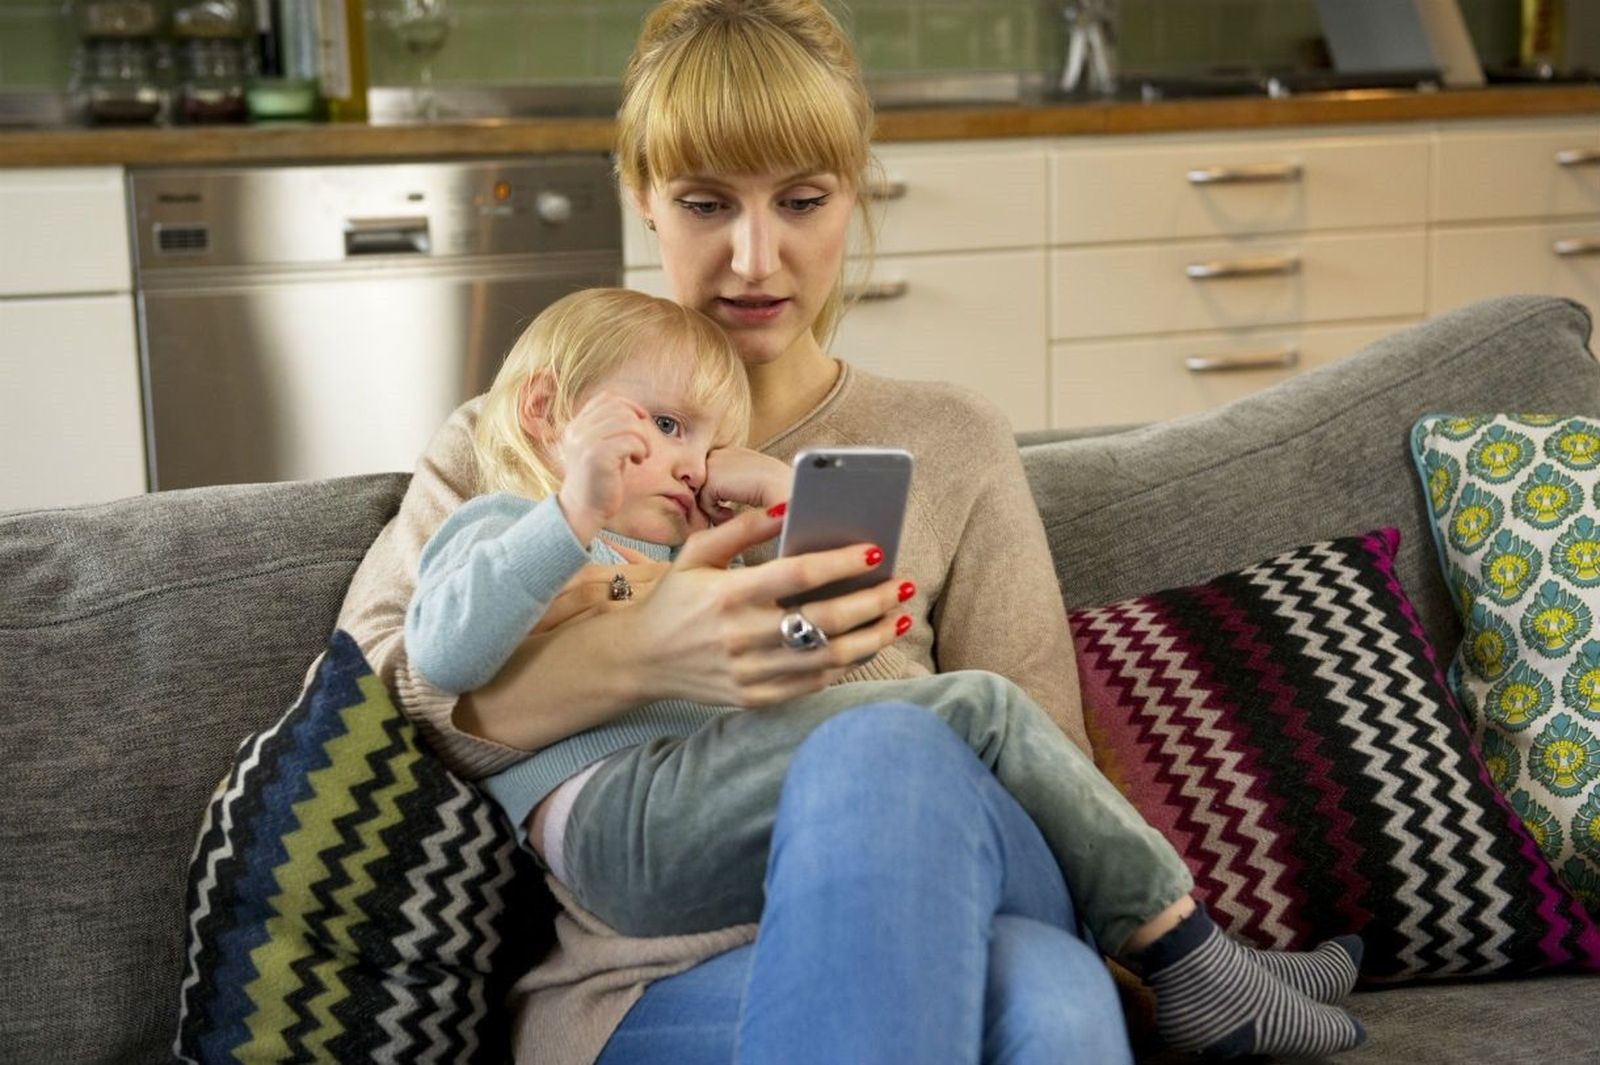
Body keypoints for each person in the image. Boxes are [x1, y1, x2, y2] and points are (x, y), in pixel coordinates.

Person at [336, 2, 1369, 1062]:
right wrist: (634, 644)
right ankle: (1209, 973)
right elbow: (378, 688)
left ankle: (1196, 968)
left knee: (918, 783)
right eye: (704, 203)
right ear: (641, 197)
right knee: (1039, 989)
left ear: (854, 191)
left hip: (961, 900)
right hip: (653, 979)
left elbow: (1039, 760)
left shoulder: (950, 441)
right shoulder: (531, 438)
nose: (754, 258)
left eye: (800, 200)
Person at [406, 285, 1370, 1061]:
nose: (690, 465)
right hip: (627, 831)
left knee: (1054, 994)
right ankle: (1192, 953)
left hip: (769, 850)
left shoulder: (698, 537)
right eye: (661, 424)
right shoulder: (503, 523)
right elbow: (438, 659)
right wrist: (576, 520)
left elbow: (796, 686)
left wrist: (788, 521)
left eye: (702, 440)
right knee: (947, 718)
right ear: (543, 411)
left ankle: (1201, 966)